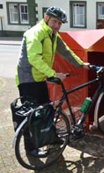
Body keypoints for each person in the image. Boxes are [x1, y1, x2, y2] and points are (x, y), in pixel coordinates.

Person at [16, 6, 89, 157]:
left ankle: (52, 138)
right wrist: (53, 73)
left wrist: (81, 63)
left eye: (60, 23)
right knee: (32, 115)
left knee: (47, 110)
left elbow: (65, 51)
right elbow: (34, 58)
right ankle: (30, 149)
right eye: (55, 21)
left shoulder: (53, 34)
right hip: (27, 79)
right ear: (46, 18)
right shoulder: (36, 33)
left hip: (39, 77)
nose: (57, 25)